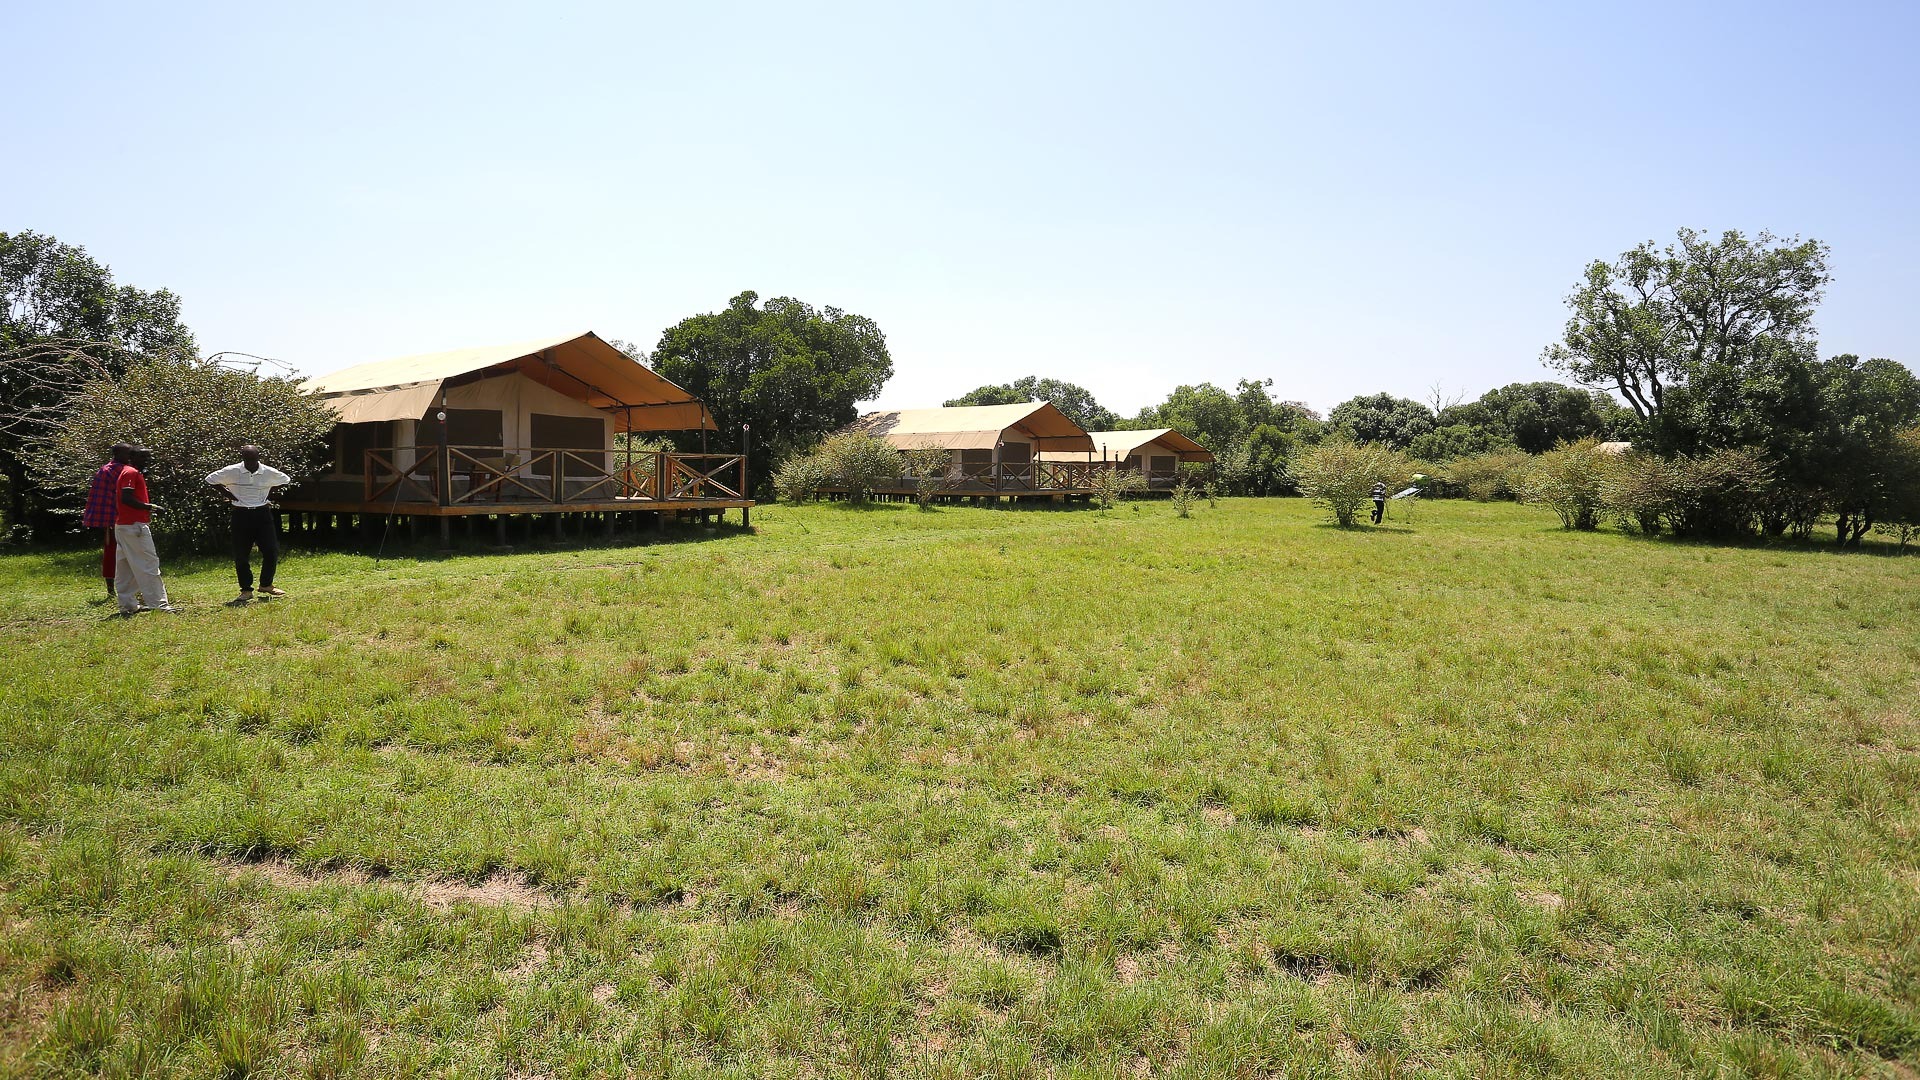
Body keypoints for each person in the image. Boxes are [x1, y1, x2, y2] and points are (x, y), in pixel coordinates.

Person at [205, 445, 292, 602]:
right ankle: (246, 589)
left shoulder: (267, 472)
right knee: (241, 554)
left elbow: (286, 480)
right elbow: (210, 479)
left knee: (271, 550)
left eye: (253, 459)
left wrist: (269, 492)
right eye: (247, 459)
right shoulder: (232, 471)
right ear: (242, 458)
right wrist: (228, 495)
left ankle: (266, 584)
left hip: (262, 513)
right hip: (241, 515)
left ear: (258, 457)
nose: (250, 462)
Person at [114, 446, 174, 615]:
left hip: (124, 526)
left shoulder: (129, 472)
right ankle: (159, 605)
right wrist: (151, 507)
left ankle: (127, 605)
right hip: (135, 526)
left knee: (125, 568)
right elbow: (126, 498)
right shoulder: (131, 473)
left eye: (149, 457)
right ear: (131, 457)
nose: (147, 460)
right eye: (143, 457)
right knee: (148, 564)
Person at [82, 443, 132, 596]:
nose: (130, 456)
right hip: (117, 519)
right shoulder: (117, 470)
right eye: (127, 453)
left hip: (112, 519)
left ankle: (117, 589)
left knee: (113, 553)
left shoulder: (105, 470)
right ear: (118, 454)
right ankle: (114, 590)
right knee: (117, 554)